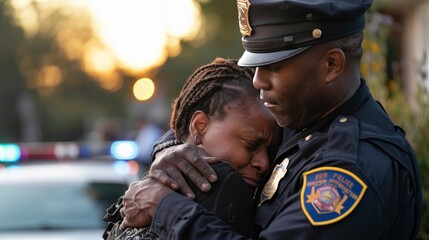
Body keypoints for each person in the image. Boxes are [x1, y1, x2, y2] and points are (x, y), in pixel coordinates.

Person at [120, 0, 423, 239]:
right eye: (256, 64)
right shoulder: (300, 121)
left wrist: (165, 207)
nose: (257, 81)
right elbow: (217, 117)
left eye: (274, 66)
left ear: (331, 65)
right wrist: (174, 150)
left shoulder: (352, 167)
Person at [103, 57, 281, 239]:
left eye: (271, 150)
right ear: (199, 126)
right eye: (251, 144)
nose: (264, 163)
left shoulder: (155, 187)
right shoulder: (222, 188)